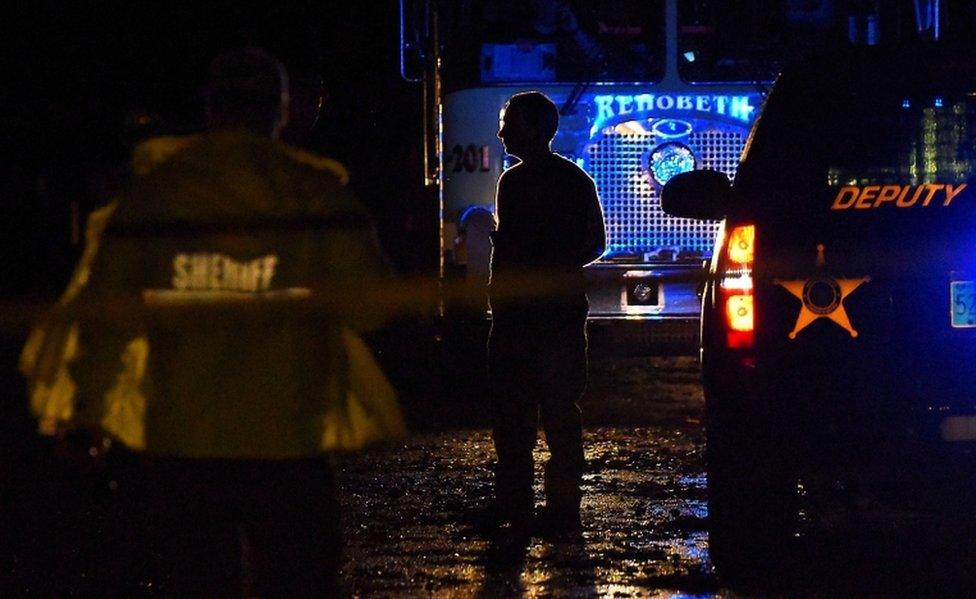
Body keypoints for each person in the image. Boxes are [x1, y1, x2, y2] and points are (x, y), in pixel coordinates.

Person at [22, 47, 392, 594]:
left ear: (210, 106)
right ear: (281, 110)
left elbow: (107, 318)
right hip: (287, 438)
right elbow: (373, 308)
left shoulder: (155, 195)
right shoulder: (313, 193)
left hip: (181, 442)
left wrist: (88, 414)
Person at [486, 91, 605, 538]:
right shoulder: (575, 180)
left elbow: (515, 249)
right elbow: (595, 243)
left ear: (532, 129)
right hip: (561, 313)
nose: (502, 132)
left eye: (509, 123)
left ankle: (515, 507)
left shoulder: (512, 185)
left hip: (517, 318)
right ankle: (562, 510)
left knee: (514, 416)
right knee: (559, 411)